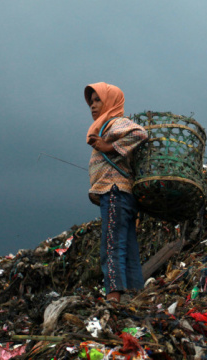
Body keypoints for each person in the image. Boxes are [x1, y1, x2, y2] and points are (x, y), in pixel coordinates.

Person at [84, 82, 148, 302]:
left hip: (115, 192)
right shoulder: (105, 126)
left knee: (111, 244)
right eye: (91, 101)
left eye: (97, 100)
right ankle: (134, 294)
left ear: (110, 101)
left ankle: (113, 296)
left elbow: (140, 133)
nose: (92, 105)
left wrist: (108, 147)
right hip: (123, 195)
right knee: (127, 246)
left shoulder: (115, 122)